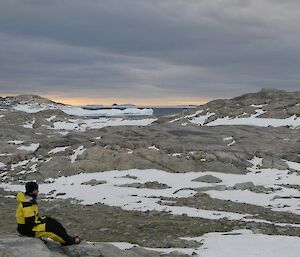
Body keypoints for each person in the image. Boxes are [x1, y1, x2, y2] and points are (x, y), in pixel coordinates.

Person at [16, 181, 81, 245]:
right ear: (31, 191)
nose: (38, 191)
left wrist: (41, 220)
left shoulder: (29, 200)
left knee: (52, 221)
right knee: (51, 228)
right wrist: (41, 222)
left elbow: (32, 219)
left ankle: (67, 237)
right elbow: (29, 222)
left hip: (30, 226)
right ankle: (67, 242)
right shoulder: (27, 204)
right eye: (36, 190)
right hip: (27, 230)